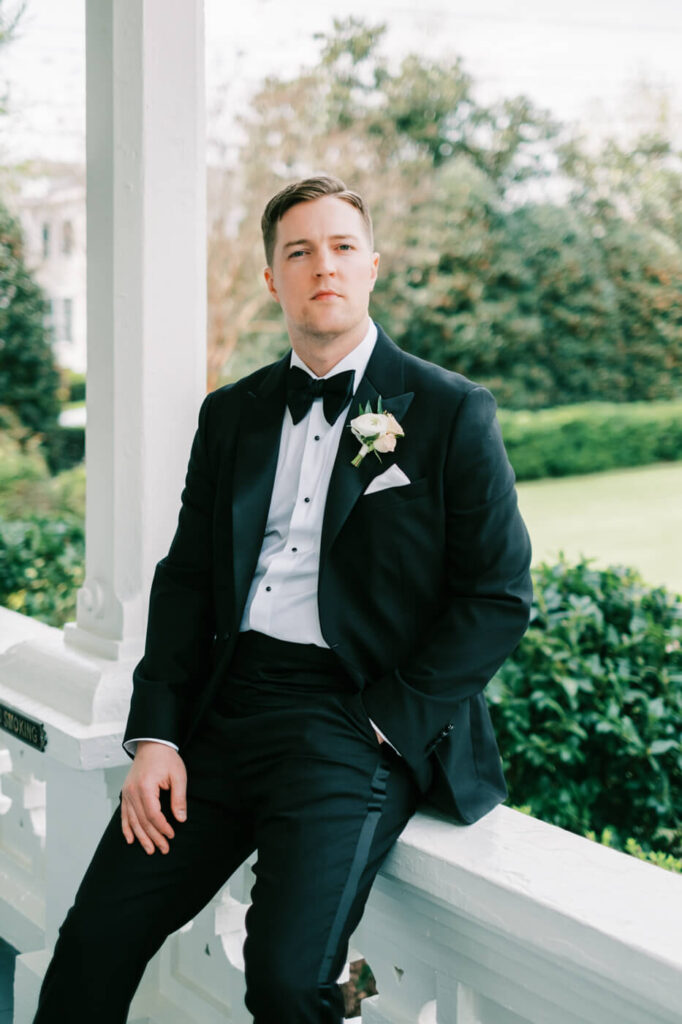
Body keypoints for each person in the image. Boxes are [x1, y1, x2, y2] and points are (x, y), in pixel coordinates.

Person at [33, 175, 532, 1023]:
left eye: (341, 247)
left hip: (354, 724)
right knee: (93, 939)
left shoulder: (451, 412)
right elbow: (187, 577)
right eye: (299, 252)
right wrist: (154, 734)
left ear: (372, 265)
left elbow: (498, 595)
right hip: (222, 713)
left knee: (289, 981)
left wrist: (386, 721)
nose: (322, 267)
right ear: (273, 278)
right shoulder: (231, 415)